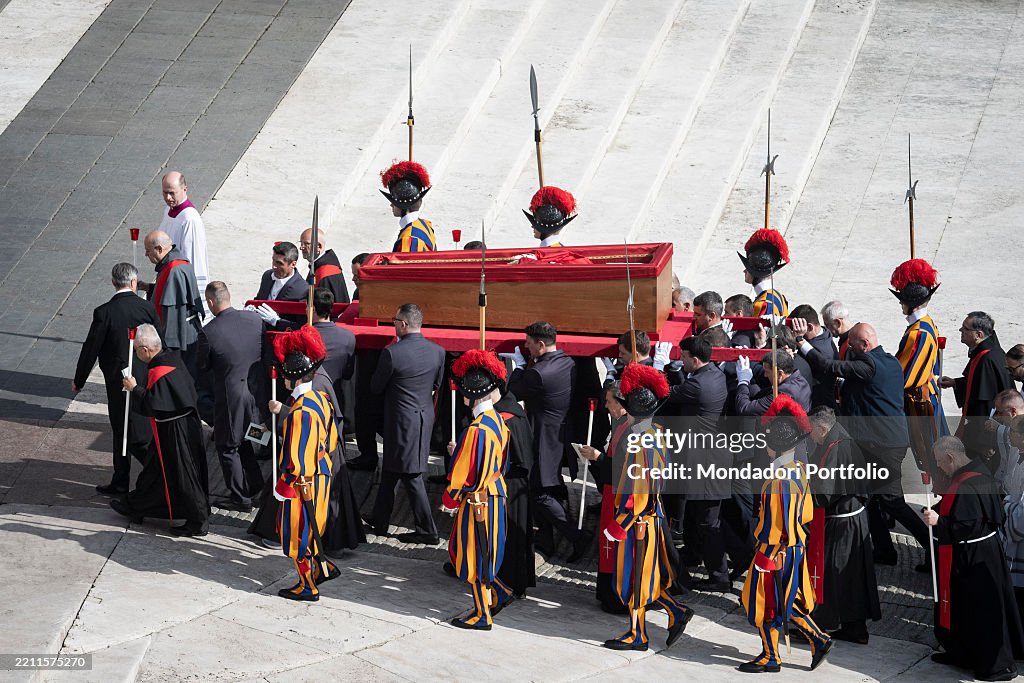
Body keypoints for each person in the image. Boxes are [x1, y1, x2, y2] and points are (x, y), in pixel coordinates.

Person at [792, 319, 931, 568]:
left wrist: (801, 342)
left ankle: (932, 546)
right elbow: (868, 388)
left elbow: (828, 366)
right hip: (883, 442)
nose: (850, 350)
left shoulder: (867, 364)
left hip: (883, 447)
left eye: (853, 346)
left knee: (891, 501)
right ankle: (884, 550)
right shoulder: (890, 361)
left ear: (865, 344)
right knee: (871, 498)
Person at [601, 363, 694, 651]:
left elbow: (636, 490)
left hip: (638, 520)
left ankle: (638, 634)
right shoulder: (657, 433)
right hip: (649, 517)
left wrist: (621, 523)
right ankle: (674, 612)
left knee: (634, 577)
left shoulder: (639, 442)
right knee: (644, 577)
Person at [739, 395, 832, 673]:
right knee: (783, 600)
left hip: (776, 549)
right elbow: (804, 515)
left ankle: (771, 656)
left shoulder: (780, 480)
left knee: (764, 601)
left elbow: (780, 525)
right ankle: (818, 639)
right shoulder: (797, 470)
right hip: (790, 547)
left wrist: (769, 552)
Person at [922, 436, 1024, 681]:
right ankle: (962, 653)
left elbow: (967, 525)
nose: (940, 467)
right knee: (963, 609)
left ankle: (997, 667)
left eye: (940, 462)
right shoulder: (976, 471)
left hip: (976, 556)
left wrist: (939, 521)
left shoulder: (968, 483)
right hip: (971, 554)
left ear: (950, 457)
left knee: (983, 611)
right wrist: (940, 511)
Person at [111, 324, 209, 536]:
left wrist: (134, 389)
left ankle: (198, 521)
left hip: (175, 431)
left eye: (137, 351)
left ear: (145, 350)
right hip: (176, 427)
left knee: (184, 475)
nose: (137, 355)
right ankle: (136, 506)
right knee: (154, 472)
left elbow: (153, 404)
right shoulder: (172, 359)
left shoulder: (160, 372)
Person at [267, 326, 341, 601]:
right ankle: (320, 567)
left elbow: (296, 460)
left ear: (294, 377)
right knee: (311, 530)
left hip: (303, 482)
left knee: (296, 533)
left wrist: (283, 485)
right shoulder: (320, 399)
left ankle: (307, 585)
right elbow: (331, 439)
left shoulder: (301, 412)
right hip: (321, 474)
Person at [441, 350, 513, 629]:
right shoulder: (497, 421)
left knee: (475, 554)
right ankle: (500, 592)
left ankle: (482, 614)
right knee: (487, 551)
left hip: (478, 500)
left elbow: (466, 474)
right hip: (495, 492)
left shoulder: (477, 429)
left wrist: (450, 498)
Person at [504, 321, 587, 561]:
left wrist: (519, 367)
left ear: (541, 344)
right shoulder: (567, 362)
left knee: (539, 491)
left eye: (528, 344)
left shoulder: (538, 373)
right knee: (549, 485)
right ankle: (545, 538)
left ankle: (576, 536)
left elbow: (512, 392)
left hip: (542, 438)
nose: (526, 347)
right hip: (558, 433)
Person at [73, 263, 159, 495]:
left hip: (117, 380)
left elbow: (91, 348)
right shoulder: (147, 308)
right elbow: (158, 341)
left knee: (123, 428)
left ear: (113, 282)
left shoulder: (104, 312)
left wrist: (79, 380)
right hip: (145, 376)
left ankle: (149, 474)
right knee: (133, 426)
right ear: (134, 282)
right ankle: (121, 478)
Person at [366, 303, 445, 543]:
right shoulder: (438, 351)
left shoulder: (392, 353)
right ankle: (380, 519)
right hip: (423, 416)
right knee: (392, 469)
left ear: (403, 324)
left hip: (401, 420)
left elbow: (376, 387)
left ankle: (427, 530)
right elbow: (437, 384)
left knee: (411, 474)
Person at [666, 336, 738, 591]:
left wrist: (663, 368)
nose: (680, 360)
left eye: (683, 357)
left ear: (695, 360)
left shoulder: (696, 384)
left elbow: (668, 393)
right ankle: (702, 555)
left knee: (709, 522)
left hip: (706, 462)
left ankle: (720, 577)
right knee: (704, 516)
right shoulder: (715, 374)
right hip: (712, 456)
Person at [806, 406, 880, 644]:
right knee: (851, 578)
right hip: (851, 518)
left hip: (844, 522)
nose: (810, 436)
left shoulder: (837, 447)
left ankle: (820, 625)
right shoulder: (838, 438)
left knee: (833, 574)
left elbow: (825, 493)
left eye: (811, 431)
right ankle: (854, 628)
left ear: (822, 428)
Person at [196, 282, 265, 512]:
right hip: (254, 396)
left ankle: (240, 498)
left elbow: (202, 366)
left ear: (210, 302)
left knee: (227, 446)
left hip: (230, 400)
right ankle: (256, 486)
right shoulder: (255, 320)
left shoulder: (209, 332)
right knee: (247, 440)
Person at [890, 259, 948, 482]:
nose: (900, 304)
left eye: (902, 300)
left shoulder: (918, 333)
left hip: (920, 403)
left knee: (932, 454)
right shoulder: (926, 323)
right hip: (926, 396)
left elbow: (902, 376)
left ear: (910, 304)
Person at [580, 381, 631, 613]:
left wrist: (598, 457)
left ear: (621, 403)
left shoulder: (630, 429)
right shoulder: (621, 423)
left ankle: (616, 597)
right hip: (612, 494)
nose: (607, 406)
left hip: (620, 496)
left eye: (609, 402)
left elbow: (623, 469)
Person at [940, 311, 1013, 463]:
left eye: (965, 328)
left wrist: (984, 442)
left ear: (978, 335)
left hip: (984, 435)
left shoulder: (987, 359)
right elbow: (980, 384)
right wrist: (956, 383)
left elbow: (985, 402)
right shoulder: (986, 352)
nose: (960, 330)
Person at [140, 230, 204, 376]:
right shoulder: (173, 264)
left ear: (159, 249)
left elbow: (174, 309)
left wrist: (167, 344)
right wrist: (149, 288)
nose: (145, 254)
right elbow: (170, 293)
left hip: (180, 335)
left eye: (148, 250)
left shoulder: (175, 270)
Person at [494, 384, 537, 600]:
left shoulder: (507, 418)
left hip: (510, 484)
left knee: (510, 536)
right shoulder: (514, 411)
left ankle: (509, 582)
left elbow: (519, 458)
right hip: (515, 483)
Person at [157, 171, 208, 294]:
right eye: (165, 193)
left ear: (184, 189)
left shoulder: (189, 219)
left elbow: (192, 257)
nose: (168, 198)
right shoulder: (168, 210)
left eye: (172, 193)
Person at [310, 289, 355, 407]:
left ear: (312, 309)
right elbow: (348, 373)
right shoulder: (348, 337)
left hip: (309, 399)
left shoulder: (303, 336)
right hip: (335, 398)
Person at [790, 304, 838, 409]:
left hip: (818, 404)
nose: (793, 333)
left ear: (810, 327)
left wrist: (798, 340)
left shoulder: (823, 351)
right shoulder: (824, 334)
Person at [735, 350, 811, 415]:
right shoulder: (800, 380)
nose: (765, 375)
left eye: (767, 372)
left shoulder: (781, 395)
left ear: (780, 373)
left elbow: (744, 409)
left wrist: (743, 381)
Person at [381, 161, 436, 251]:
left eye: (394, 202)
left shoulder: (409, 238)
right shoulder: (424, 225)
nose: (391, 205)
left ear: (402, 206)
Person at [738, 228, 789, 319]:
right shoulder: (779, 297)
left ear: (756, 273)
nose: (744, 271)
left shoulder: (764, 304)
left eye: (748, 268)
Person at [299, 227, 350, 304]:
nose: (301, 247)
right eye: (301, 243)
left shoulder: (325, 273)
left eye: (306, 244)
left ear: (319, 246)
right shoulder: (319, 265)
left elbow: (323, 306)